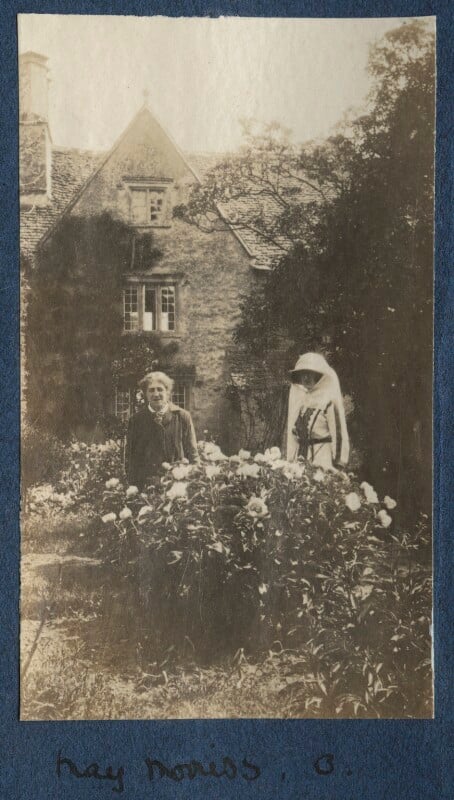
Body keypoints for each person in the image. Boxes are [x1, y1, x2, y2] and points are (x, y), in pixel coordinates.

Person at [125, 371, 199, 489]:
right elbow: (131, 459)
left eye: (160, 389)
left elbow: (193, 454)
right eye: (151, 390)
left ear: (167, 392)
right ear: (145, 394)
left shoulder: (182, 417)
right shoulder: (136, 420)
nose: (156, 394)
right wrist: (134, 488)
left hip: (177, 485)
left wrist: (192, 482)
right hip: (147, 487)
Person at [283, 352, 349, 470]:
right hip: (300, 461)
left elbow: (338, 435)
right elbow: (294, 436)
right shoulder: (302, 402)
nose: (306, 378)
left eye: (310, 373)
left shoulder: (328, 402)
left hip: (322, 460)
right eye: (303, 374)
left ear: (319, 376)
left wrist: (338, 465)